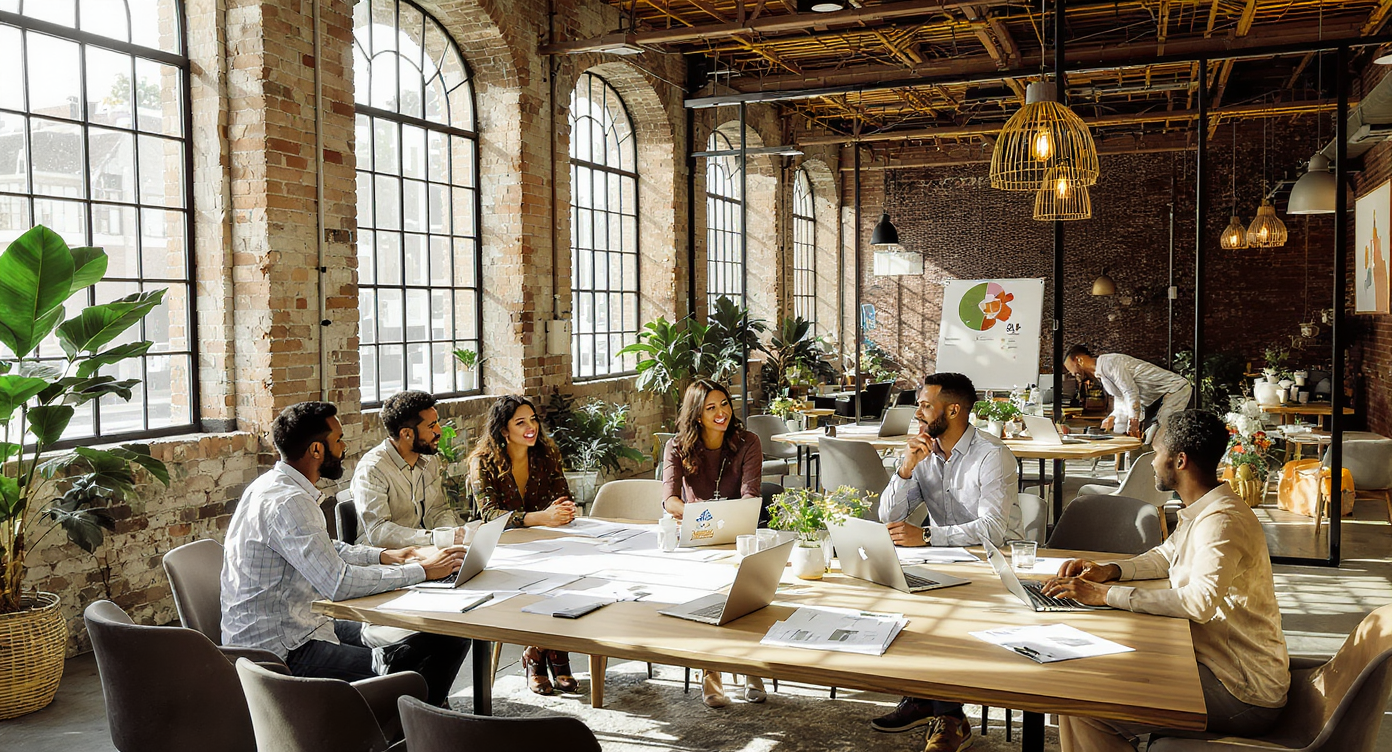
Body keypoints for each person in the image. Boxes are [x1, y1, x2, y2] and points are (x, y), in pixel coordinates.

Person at [1043, 409, 1289, 751]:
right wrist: (1109, 570)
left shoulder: (1222, 522)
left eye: (1157, 453)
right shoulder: (1203, 510)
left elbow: (1198, 603)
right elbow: (1164, 556)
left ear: (1180, 460)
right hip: (1212, 667)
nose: (1152, 462)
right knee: (1075, 691)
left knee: (1086, 704)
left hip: (1241, 691)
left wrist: (1106, 594)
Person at [221, 402, 470, 707]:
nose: (344, 447)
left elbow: (322, 549)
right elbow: (338, 583)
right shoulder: (290, 501)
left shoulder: (273, 485)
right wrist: (422, 571)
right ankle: (405, 723)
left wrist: (388, 556)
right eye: (338, 440)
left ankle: (410, 705)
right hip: (284, 651)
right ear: (316, 450)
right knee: (423, 662)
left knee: (443, 636)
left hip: (302, 624)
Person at [871, 372, 1022, 752]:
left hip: (995, 564)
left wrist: (925, 535)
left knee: (946, 616)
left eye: (925, 404)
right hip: (946, 560)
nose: (918, 412)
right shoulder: (923, 452)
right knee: (898, 600)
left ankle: (950, 717)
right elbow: (886, 516)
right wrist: (905, 468)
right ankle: (924, 698)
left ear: (953, 410)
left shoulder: (992, 455)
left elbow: (993, 529)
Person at [661, 379, 766, 709]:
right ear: (696, 414)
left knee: (746, 596)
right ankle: (711, 670)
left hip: (739, 534)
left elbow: (750, 495)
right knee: (706, 596)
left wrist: (726, 515)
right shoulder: (677, 446)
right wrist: (698, 515)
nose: (721, 412)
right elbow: (670, 500)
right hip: (698, 536)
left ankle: (750, 666)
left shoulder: (748, 441)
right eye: (711, 408)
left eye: (724, 404)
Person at [467, 394, 579, 695]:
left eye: (533, 420)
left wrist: (565, 510)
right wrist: (541, 517)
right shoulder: (483, 462)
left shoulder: (545, 454)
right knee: (545, 581)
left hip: (544, 543)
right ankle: (552, 655)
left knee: (575, 575)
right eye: (521, 422)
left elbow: (561, 496)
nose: (531, 428)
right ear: (504, 430)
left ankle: (541, 651)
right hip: (500, 550)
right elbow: (490, 515)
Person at [352, 390, 471, 549]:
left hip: (422, 551)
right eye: (431, 426)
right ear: (406, 434)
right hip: (384, 558)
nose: (439, 431)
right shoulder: (372, 470)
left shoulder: (429, 460)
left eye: (437, 422)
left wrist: (449, 536)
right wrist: (433, 538)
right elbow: (379, 533)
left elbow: (439, 510)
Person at [1064, 344, 1192, 445]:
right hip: (1155, 399)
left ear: (1079, 360)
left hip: (1175, 389)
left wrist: (1133, 421)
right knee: (1150, 437)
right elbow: (1121, 399)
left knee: (1159, 434)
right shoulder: (1103, 376)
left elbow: (1130, 391)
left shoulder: (1110, 363)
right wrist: (1113, 417)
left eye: (1073, 371)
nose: (1074, 375)